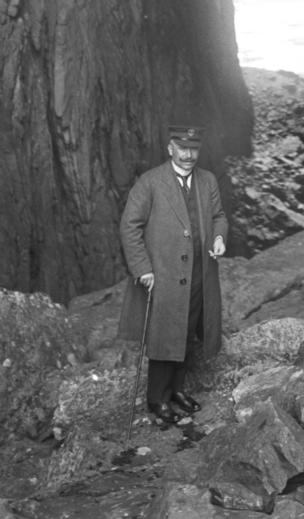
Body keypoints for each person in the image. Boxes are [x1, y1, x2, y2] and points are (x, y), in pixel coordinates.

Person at [118, 124, 228, 423]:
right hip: (163, 275)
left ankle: (178, 389)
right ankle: (157, 399)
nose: (189, 155)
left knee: (188, 331)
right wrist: (142, 268)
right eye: (183, 149)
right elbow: (130, 227)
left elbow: (218, 216)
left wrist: (219, 238)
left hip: (199, 273)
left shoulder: (207, 181)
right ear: (170, 149)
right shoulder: (151, 182)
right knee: (163, 335)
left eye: (194, 149)